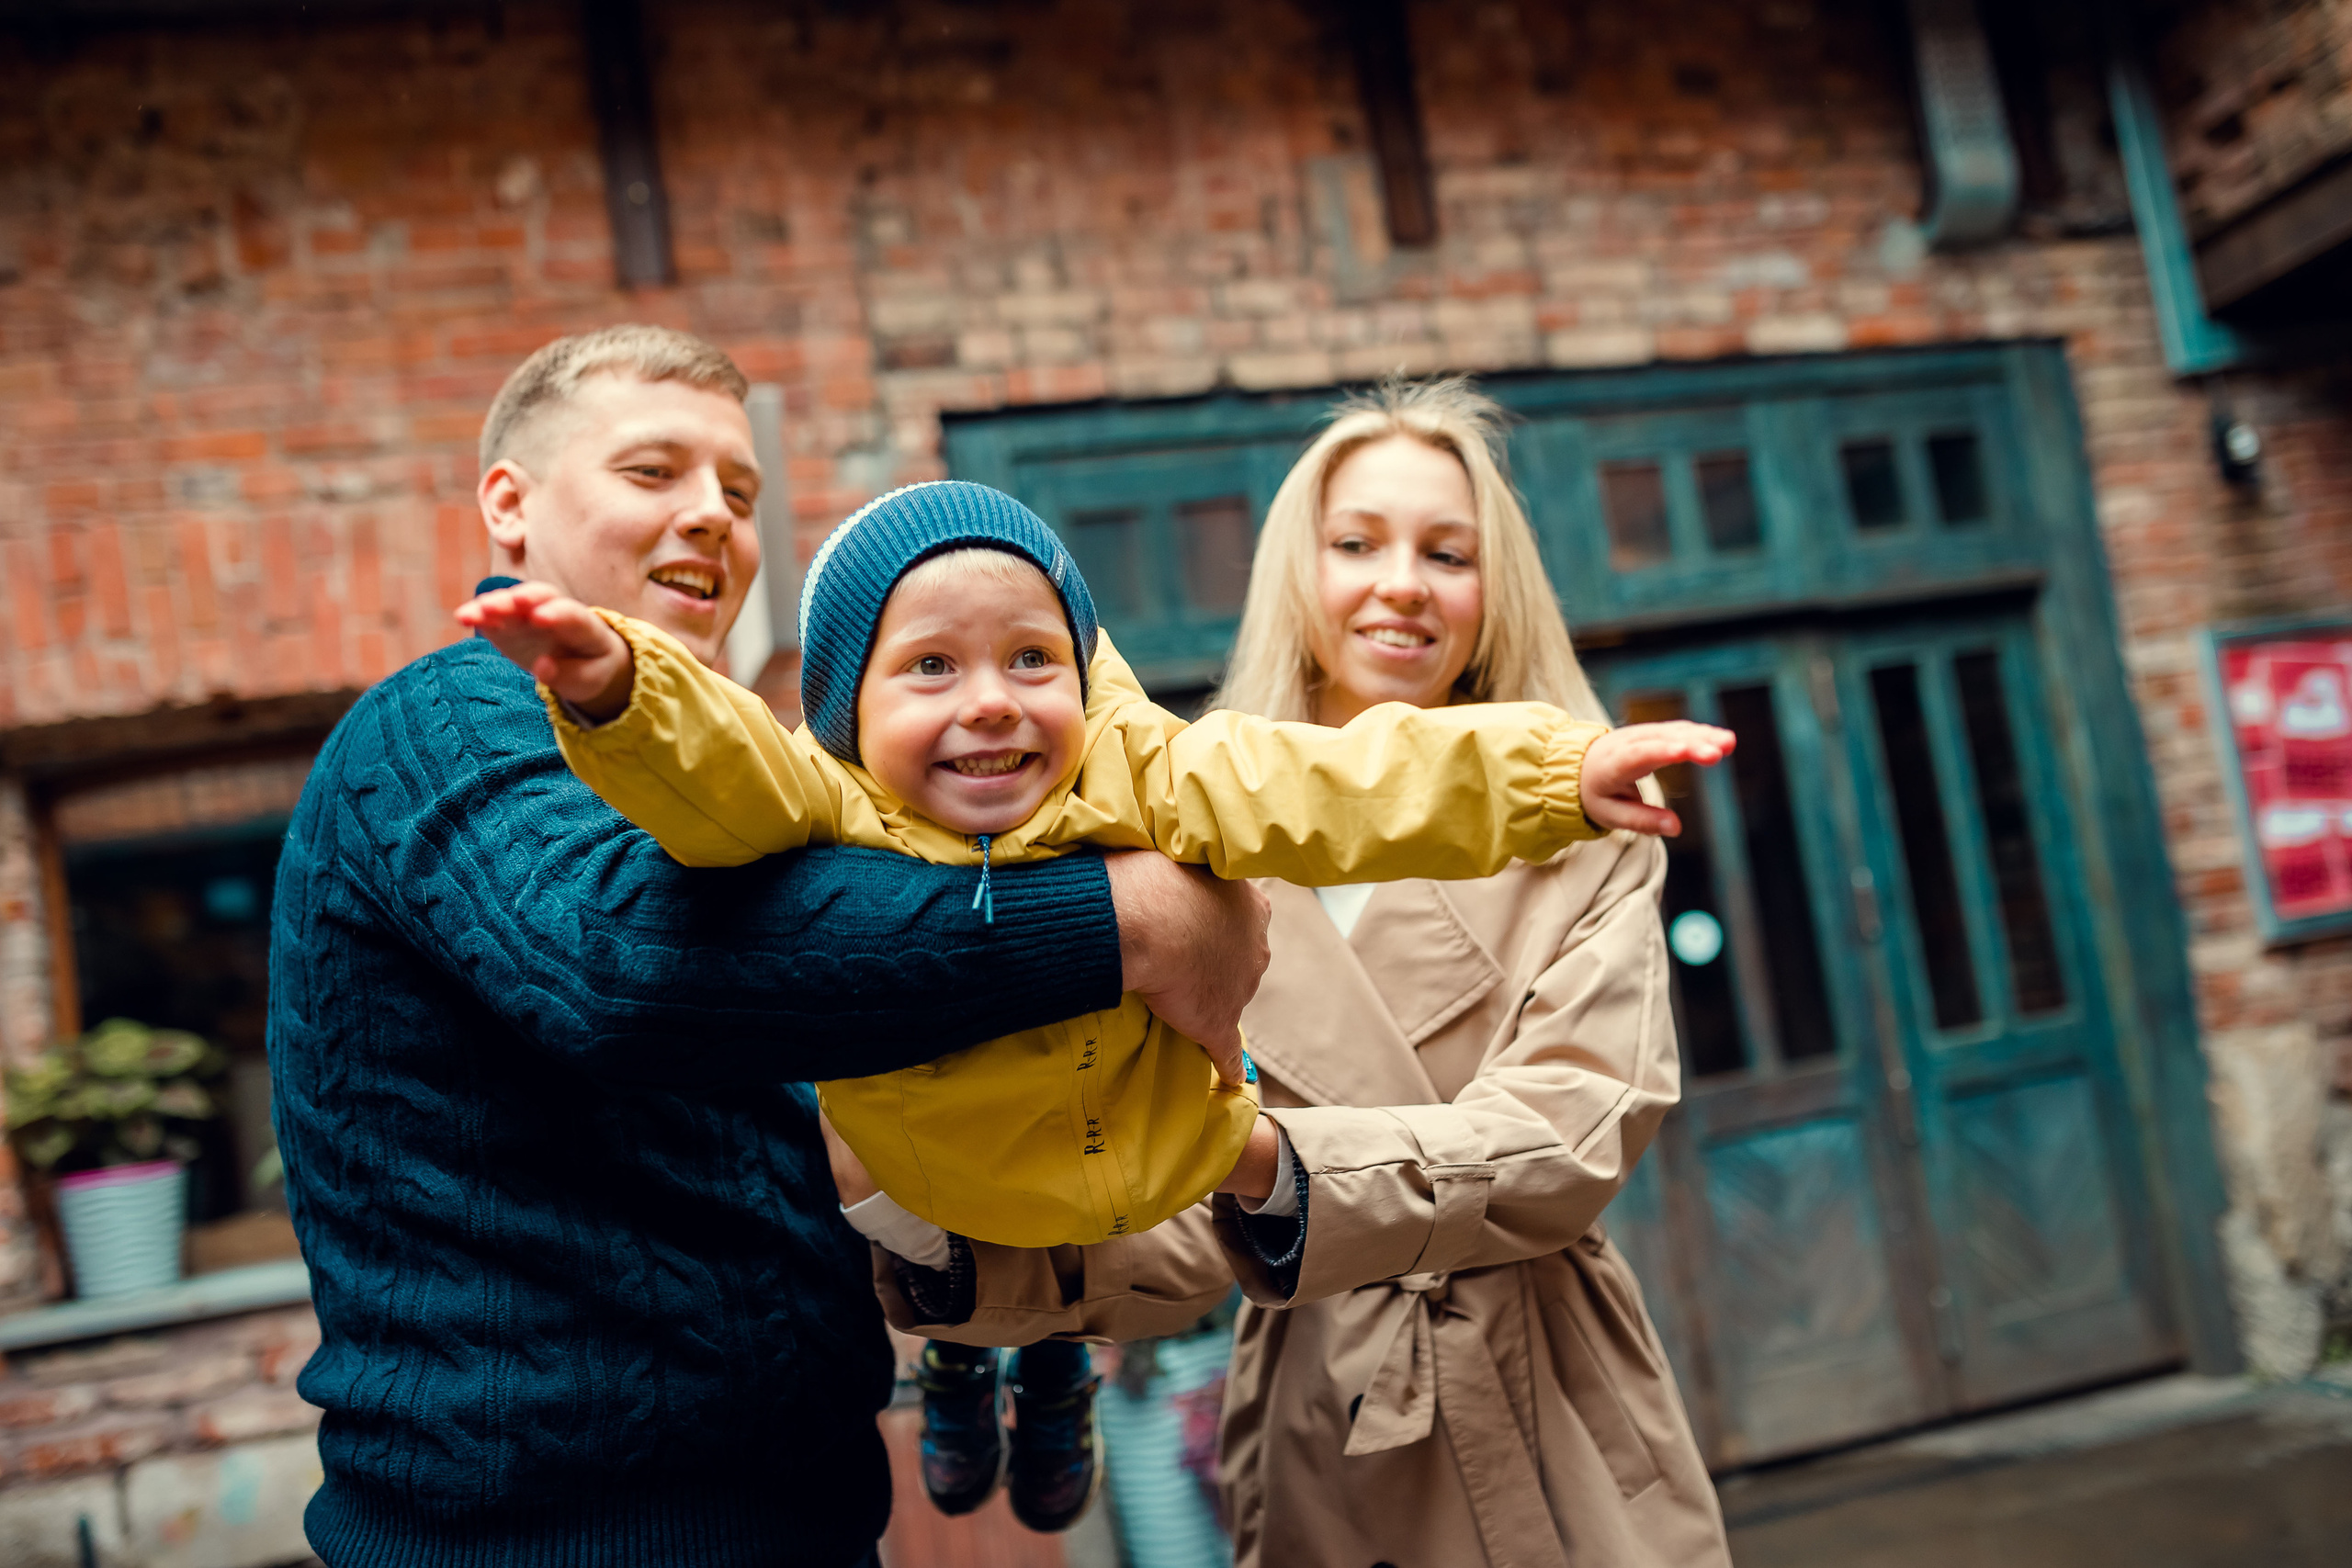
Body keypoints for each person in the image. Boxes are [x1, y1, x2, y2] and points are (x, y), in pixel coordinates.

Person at [265, 325, 1273, 1568]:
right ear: (510, 506)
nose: (713, 515)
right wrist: (1127, 920)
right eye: (653, 472)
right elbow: (621, 972)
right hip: (541, 1542)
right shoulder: (449, 718)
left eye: (740, 493)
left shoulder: (762, 781)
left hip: (797, 1512)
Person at [871, 377, 1735, 1568]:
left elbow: (1569, 1136)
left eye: (1448, 553)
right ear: (1296, 572)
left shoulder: (1582, 829)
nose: (1403, 583)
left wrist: (1257, 1159)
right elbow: (1167, 1222)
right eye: (1357, 544)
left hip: (1544, 1417)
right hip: (1316, 1415)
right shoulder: (1181, 843)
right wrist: (931, 1219)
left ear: (1496, 590)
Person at [459, 480, 1724, 1254]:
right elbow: (720, 774)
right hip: (939, 1188)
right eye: (931, 668)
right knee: (961, 1290)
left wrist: (1560, 774)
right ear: (847, 707)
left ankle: (1047, 1372)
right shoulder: (824, 799)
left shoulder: (1146, 773)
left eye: (1030, 659)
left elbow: (1344, 779)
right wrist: (621, 687)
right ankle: (982, 1370)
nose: (991, 701)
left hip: (1173, 1160)